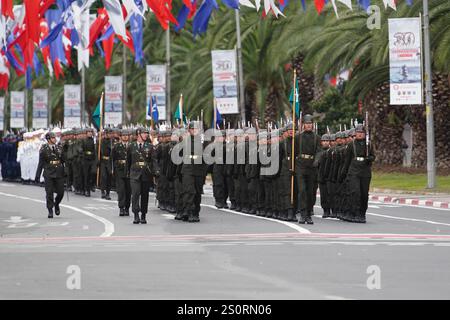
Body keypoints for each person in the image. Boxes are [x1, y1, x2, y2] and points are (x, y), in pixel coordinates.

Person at [339, 124, 375, 223]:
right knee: (355, 192)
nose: (359, 135)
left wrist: (369, 158)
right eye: (358, 133)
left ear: (365, 134)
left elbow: (373, 157)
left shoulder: (369, 145)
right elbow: (347, 160)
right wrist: (343, 173)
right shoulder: (351, 145)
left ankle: (362, 213)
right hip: (353, 170)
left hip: (365, 171)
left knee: (364, 193)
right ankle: (353, 212)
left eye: (361, 133)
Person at [295, 114, 321, 224]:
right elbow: (294, 152)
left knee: (310, 192)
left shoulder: (317, 137)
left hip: (312, 167)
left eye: (310, 123)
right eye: (307, 124)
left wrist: (316, 161)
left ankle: (309, 213)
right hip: (301, 166)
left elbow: (319, 151)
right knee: (302, 191)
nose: (308, 125)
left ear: (313, 125)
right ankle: (303, 214)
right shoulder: (298, 137)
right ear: (303, 125)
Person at [180, 121, 207, 222]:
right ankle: (189, 211)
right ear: (189, 130)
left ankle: (196, 212)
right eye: (192, 129)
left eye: (196, 129)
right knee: (189, 191)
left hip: (199, 169)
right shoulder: (185, 141)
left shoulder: (203, 141)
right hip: (188, 168)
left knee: (197, 192)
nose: (194, 130)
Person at [127, 127, 155, 224]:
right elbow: (128, 161)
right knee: (135, 194)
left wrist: (155, 172)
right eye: (144, 133)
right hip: (134, 174)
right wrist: (128, 173)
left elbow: (153, 161)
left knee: (144, 195)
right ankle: (135, 214)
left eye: (147, 133)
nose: (146, 135)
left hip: (145, 174)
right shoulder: (131, 146)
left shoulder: (150, 147)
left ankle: (143, 214)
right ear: (138, 134)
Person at [35, 132, 65, 218]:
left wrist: (66, 171)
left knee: (61, 192)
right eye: (53, 138)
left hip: (59, 171)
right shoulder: (43, 149)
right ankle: (50, 210)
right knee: (49, 192)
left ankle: (56, 204)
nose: (55, 139)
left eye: (55, 137)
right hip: (48, 172)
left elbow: (63, 160)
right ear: (48, 139)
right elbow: (40, 163)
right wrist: (38, 175)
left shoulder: (59, 147)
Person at [112, 129, 131, 217]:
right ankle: (121, 208)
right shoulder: (116, 146)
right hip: (119, 170)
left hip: (129, 171)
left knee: (128, 190)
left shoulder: (132, 146)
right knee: (121, 190)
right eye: (123, 135)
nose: (125, 137)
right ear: (120, 137)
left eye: (127, 135)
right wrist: (112, 169)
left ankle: (127, 208)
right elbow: (112, 159)